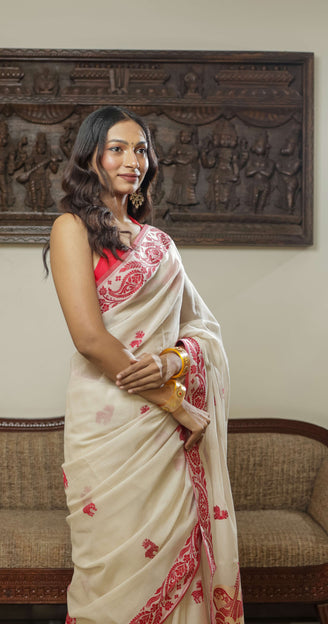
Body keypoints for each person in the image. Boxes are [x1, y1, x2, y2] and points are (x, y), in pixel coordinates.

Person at [44, 106, 244, 624]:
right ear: (91, 156)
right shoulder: (71, 228)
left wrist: (174, 360)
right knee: (110, 570)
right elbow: (90, 338)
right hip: (110, 423)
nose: (133, 160)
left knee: (176, 550)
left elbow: (202, 328)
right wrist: (176, 404)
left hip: (164, 439)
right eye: (117, 148)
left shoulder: (160, 245)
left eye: (141, 149)